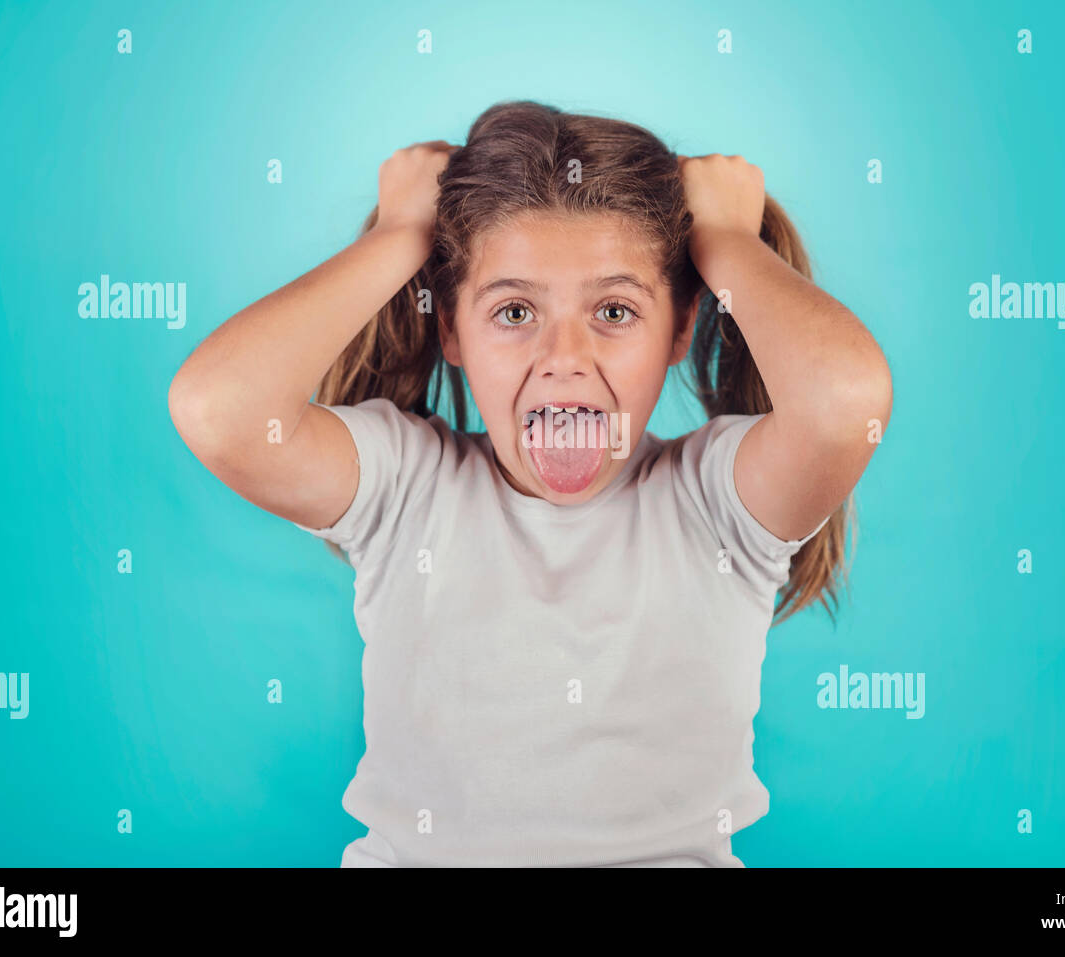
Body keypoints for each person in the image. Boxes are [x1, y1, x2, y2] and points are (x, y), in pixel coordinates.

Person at [168, 100, 893, 866]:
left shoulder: (718, 506)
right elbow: (220, 409)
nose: (564, 355)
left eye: (615, 309)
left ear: (680, 327)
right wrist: (397, 239)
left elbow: (845, 406)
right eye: (514, 310)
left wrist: (724, 242)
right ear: (449, 325)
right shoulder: (404, 485)